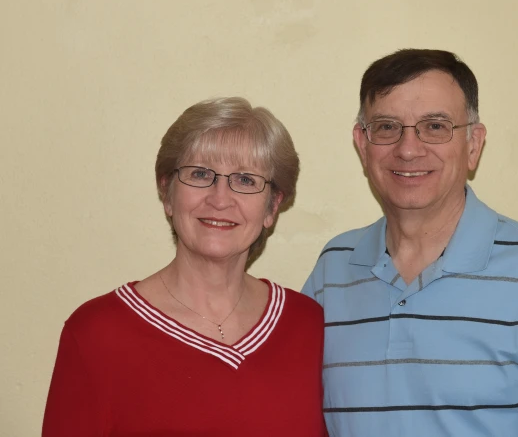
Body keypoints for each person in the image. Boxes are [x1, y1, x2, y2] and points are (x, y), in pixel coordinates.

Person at [303, 50, 518, 436]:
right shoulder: (333, 270)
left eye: (435, 126)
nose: (408, 148)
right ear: (362, 144)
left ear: (473, 144)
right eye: (387, 127)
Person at [43, 97, 326, 436]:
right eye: (200, 174)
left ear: (272, 207)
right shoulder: (96, 334)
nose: (220, 199)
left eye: (246, 180)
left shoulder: (309, 325)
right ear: (167, 193)